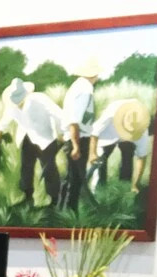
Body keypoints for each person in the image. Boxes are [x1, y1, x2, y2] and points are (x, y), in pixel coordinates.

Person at [0, 77, 63, 206]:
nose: (18, 103)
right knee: (26, 168)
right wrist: (0, 130)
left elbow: (58, 115)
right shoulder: (12, 105)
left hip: (46, 139)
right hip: (27, 137)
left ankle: (54, 201)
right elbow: (6, 117)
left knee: (49, 169)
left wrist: (61, 133)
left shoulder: (40, 99)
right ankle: (27, 198)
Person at [58, 56, 100, 211]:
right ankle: (69, 213)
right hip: (78, 138)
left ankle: (61, 211)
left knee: (71, 178)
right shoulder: (85, 90)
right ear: (94, 74)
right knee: (75, 180)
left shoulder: (77, 86)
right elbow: (74, 120)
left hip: (73, 136)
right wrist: (76, 145)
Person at [87, 98, 151, 193]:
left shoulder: (141, 129)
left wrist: (135, 184)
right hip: (108, 134)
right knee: (101, 160)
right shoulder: (112, 112)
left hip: (129, 139)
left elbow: (142, 157)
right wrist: (92, 154)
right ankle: (98, 190)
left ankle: (124, 187)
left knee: (128, 153)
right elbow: (94, 132)